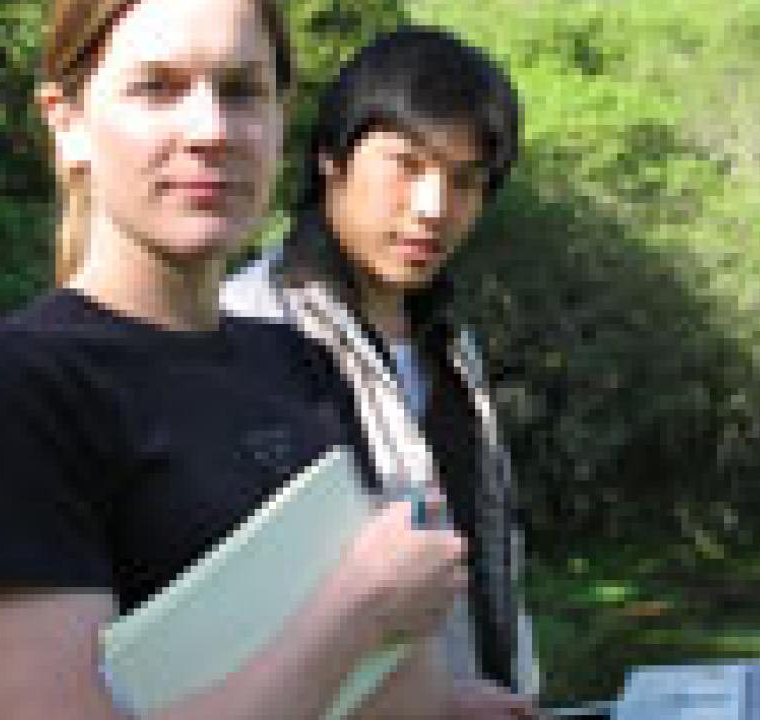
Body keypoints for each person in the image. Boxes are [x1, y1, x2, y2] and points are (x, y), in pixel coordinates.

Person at [0, 1, 488, 717]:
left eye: (242, 90)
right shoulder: (24, 385)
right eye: (156, 88)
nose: (212, 130)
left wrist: (446, 701)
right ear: (67, 123)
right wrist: (360, 611)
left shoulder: (301, 363)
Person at [222, 26, 541, 714]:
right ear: (331, 158)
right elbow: (240, 616)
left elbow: (489, 558)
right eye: (407, 165)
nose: (433, 207)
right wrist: (434, 704)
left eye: (465, 181)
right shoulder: (247, 328)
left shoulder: (450, 344)